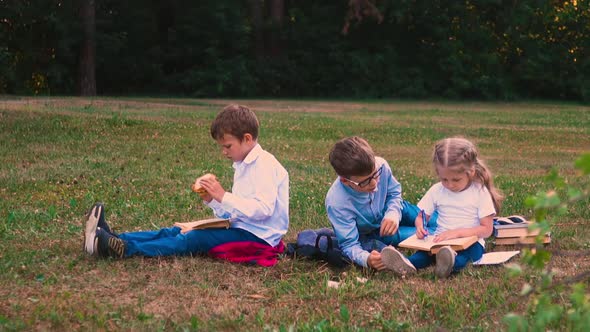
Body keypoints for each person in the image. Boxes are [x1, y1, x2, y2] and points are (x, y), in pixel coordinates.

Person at [83, 104, 289, 266]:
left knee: (193, 239)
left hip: (258, 238)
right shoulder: (243, 164)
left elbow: (263, 210)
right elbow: (236, 213)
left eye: (228, 146)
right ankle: (113, 238)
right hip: (241, 227)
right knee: (176, 231)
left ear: (247, 139)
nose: (224, 152)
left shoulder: (265, 164)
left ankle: (124, 248)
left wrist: (222, 195)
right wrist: (212, 201)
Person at [381, 137, 503, 278]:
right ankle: (407, 264)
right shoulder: (437, 190)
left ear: (471, 172)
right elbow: (421, 216)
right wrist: (420, 226)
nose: (450, 185)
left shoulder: (479, 192)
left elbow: (487, 230)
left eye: (456, 180)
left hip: (470, 243)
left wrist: (457, 233)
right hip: (439, 242)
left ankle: (448, 265)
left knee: (465, 257)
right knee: (424, 255)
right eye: (444, 179)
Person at [325, 136, 436, 271]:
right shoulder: (337, 202)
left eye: (375, 174)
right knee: (427, 235)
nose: (374, 184)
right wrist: (366, 259)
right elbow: (349, 245)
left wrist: (393, 214)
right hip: (376, 231)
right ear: (345, 181)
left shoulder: (381, 165)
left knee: (438, 220)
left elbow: (394, 193)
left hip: (398, 208)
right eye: (365, 182)